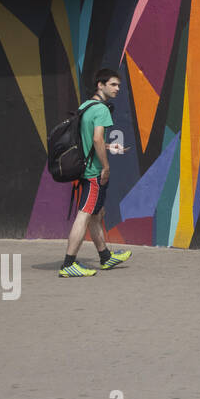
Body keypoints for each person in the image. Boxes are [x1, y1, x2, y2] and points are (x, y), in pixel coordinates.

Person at [59, 68, 132, 277]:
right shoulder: (101, 110)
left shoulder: (85, 106)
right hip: (93, 173)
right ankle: (68, 264)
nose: (118, 88)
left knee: (96, 214)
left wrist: (110, 148)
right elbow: (97, 138)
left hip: (84, 169)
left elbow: (88, 140)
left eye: (118, 85)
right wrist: (106, 167)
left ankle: (105, 257)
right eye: (113, 84)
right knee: (85, 214)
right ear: (100, 85)